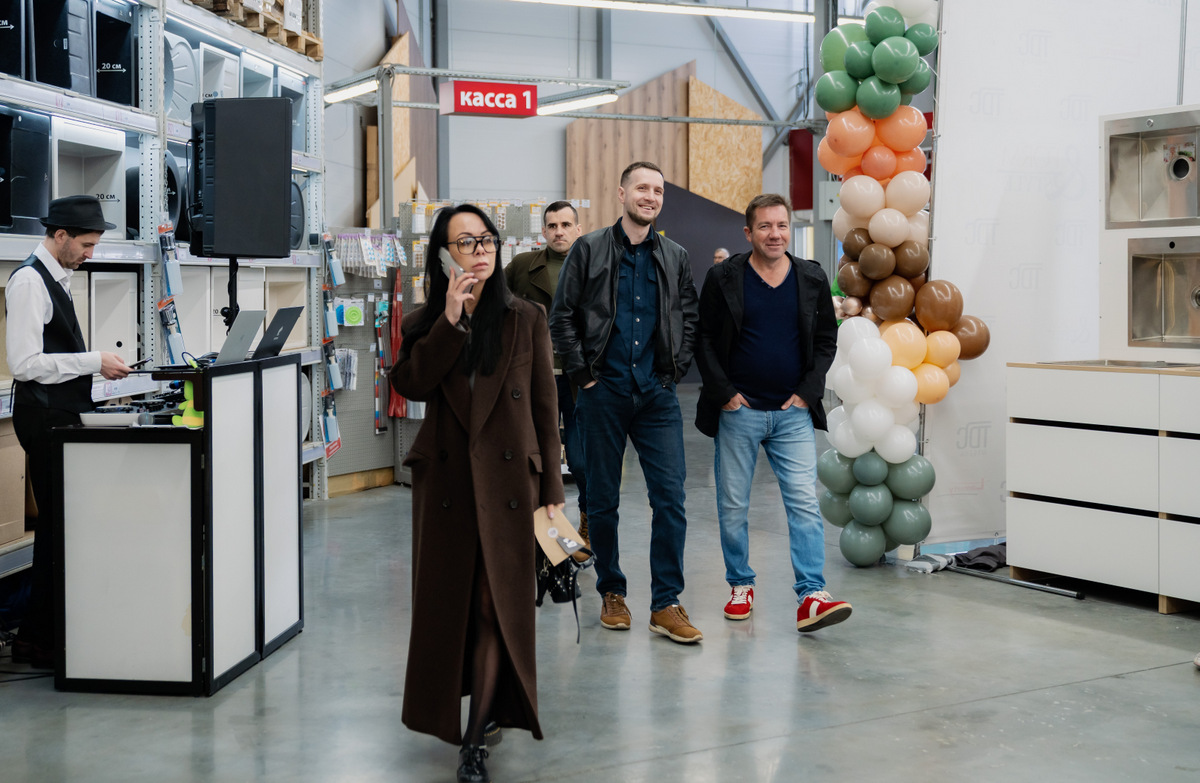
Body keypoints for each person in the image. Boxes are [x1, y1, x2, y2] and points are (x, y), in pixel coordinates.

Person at [390, 204, 564, 783]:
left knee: (496, 606)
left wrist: (553, 488)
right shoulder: (424, 322)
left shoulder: (526, 317)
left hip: (510, 483)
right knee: (452, 608)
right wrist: (450, 320)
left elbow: (544, 405)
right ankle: (461, 712)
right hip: (448, 485)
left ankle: (474, 740)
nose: (481, 250)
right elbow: (411, 384)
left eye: (486, 239)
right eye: (466, 242)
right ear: (443, 256)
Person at [548, 161, 702, 645]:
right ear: (622, 193)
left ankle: (666, 603)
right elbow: (562, 316)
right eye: (642, 188)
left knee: (670, 499)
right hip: (604, 392)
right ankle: (612, 592)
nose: (650, 196)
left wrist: (674, 370)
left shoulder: (675, 255)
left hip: (656, 395)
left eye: (658, 190)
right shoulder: (589, 249)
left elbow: (689, 316)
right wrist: (584, 376)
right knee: (602, 500)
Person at [694, 193, 850, 633]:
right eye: (765, 226)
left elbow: (826, 339)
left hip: (792, 414)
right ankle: (740, 584)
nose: (775, 234)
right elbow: (703, 338)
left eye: (782, 225)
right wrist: (725, 393)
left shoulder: (811, 277)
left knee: (803, 502)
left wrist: (807, 392)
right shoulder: (724, 277)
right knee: (732, 505)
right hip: (738, 412)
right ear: (748, 232)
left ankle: (811, 595)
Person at [5, 195, 132, 669]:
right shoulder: (28, 282)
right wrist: (94, 361)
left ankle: (44, 635)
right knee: (57, 526)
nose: (90, 254)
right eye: (86, 245)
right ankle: (39, 640)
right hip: (43, 417)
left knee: (63, 524)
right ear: (60, 235)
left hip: (59, 412)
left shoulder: (55, 277)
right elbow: (24, 364)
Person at [504, 200, 589, 563]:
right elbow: (495, 304)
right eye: (552, 226)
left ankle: (586, 526)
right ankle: (547, 538)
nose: (559, 232)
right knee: (538, 460)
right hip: (534, 378)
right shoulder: (523, 266)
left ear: (578, 229)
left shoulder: (594, 265)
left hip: (580, 379)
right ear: (543, 231)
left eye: (566, 225)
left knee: (582, 461)